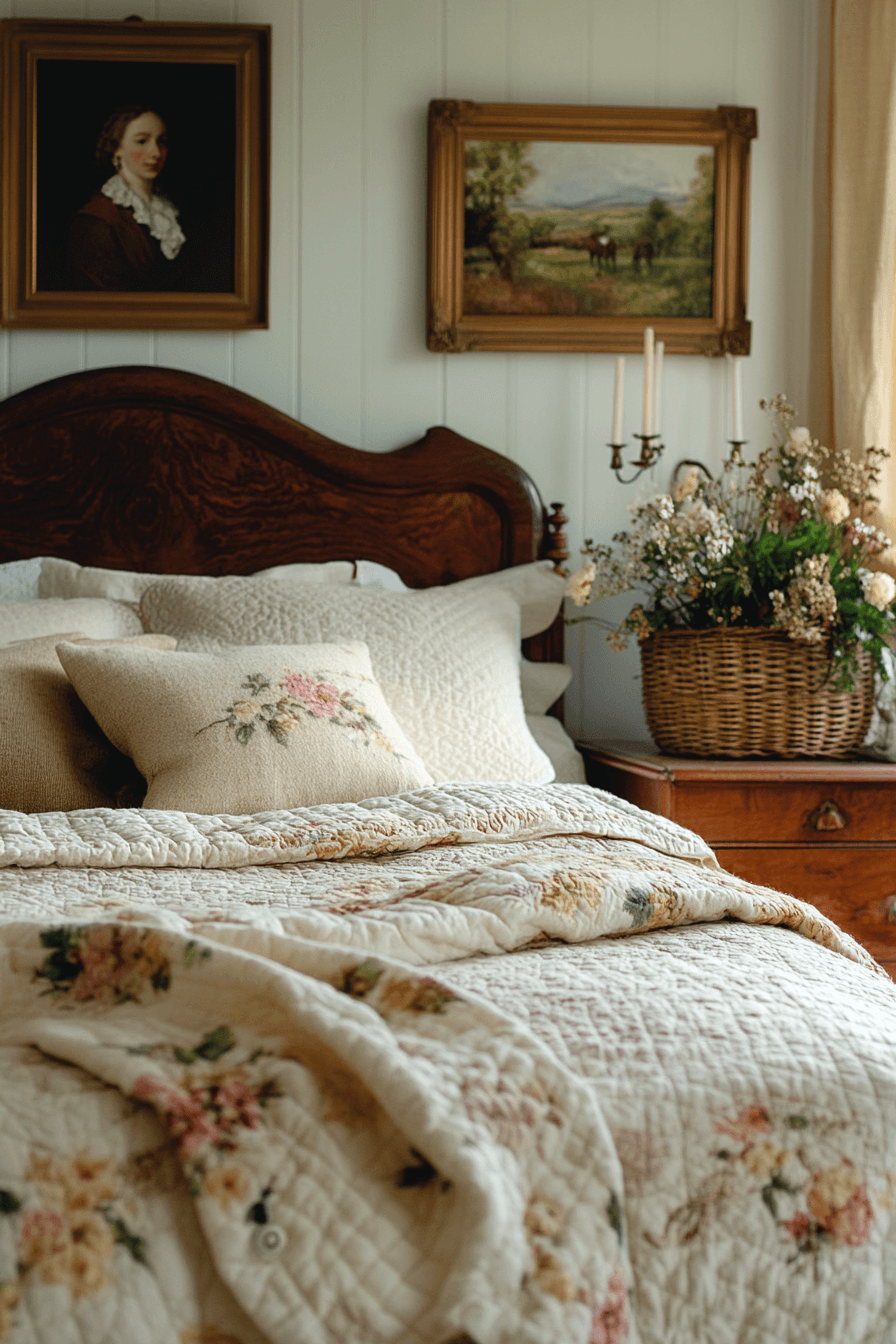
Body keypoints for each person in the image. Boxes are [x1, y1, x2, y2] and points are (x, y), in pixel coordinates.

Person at [66, 104, 186, 290]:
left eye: (162, 141)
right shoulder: (96, 221)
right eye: (141, 141)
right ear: (117, 149)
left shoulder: (169, 211)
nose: (155, 153)